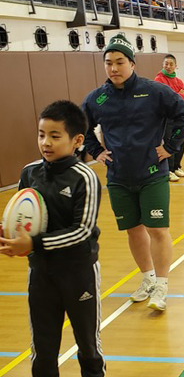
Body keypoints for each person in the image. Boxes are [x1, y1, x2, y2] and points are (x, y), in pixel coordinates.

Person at [83, 34, 184, 312]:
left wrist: (169, 146)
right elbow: (81, 128)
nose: (113, 68)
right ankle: (147, 279)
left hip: (153, 173)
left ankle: (162, 286)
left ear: (131, 63)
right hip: (118, 178)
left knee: (158, 229)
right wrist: (96, 152)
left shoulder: (153, 91)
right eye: (108, 63)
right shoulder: (97, 98)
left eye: (120, 62)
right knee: (133, 231)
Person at [0, 101, 105, 377]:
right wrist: (7, 230)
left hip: (78, 273)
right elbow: (21, 214)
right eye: (41, 134)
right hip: (41, 274)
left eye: (55, 136)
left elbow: (82, 231)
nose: (45, 142)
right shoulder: (30, 172)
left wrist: (34, 243)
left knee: (89, 347)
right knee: (43, 349)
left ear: (77, 140)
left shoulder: (86, 178)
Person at [155, 54, 184, 182]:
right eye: (166, 63)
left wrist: (174, 94)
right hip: (167, 118)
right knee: (169, 142)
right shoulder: (159, 80)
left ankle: (177, 166)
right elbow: (166, 98)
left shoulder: (179, 81)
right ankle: (169, 170)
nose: (168, 66)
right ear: (163, 64)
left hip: (179, 116)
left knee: (181, 141)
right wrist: (178, 94)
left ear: (175, 66)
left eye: (171, 64)